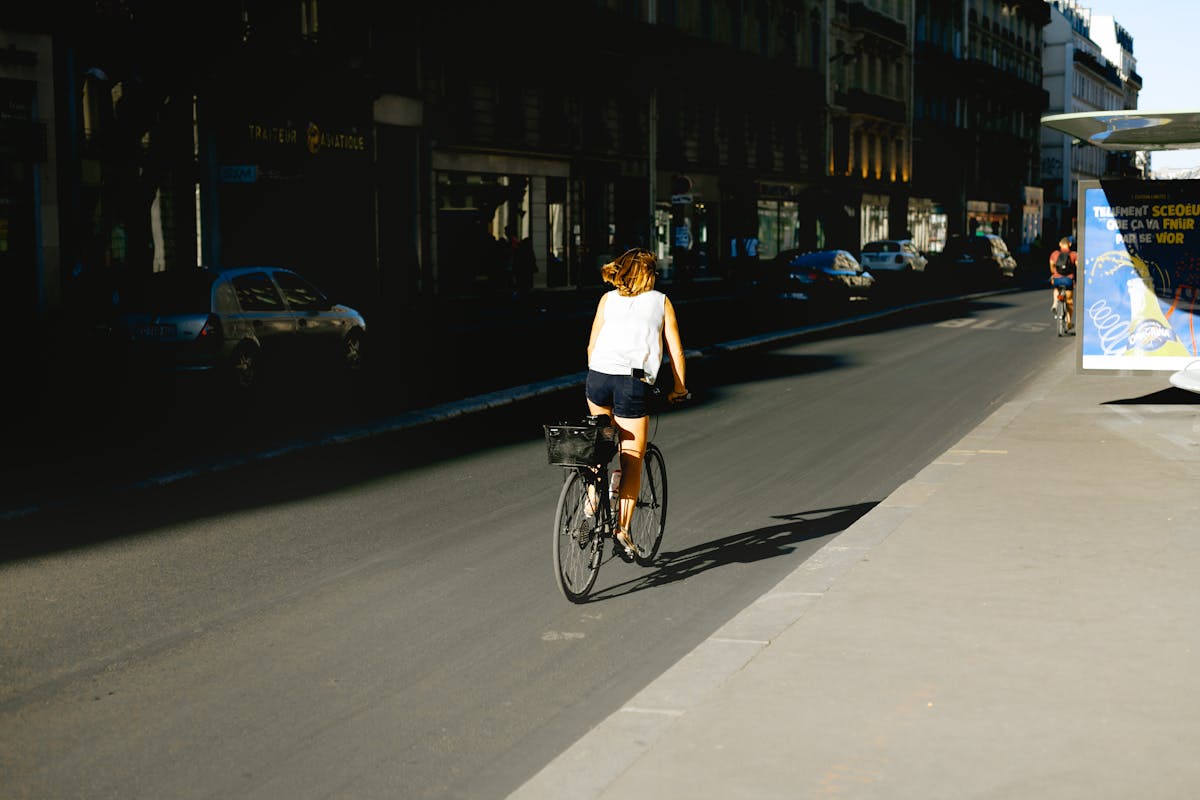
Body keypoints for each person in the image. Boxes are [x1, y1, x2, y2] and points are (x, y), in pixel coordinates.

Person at [585, 247, 689, 560]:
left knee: (600, 444)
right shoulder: (661, 301)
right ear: (648, 274)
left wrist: (601, 375)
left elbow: (591, 345)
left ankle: (591, 499)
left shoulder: (607, 299)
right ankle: (622, 530)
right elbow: (676, 352)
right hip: (631, 382)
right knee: (632, 460)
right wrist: (680, 389)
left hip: (598, 378)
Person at [1049, 236, 1077, 332]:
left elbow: (1052, 266)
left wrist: (1054, 275)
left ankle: (1055, 303)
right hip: (1068, 280)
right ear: (1069, 244)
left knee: (1056, 288)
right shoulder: (1074, 255)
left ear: (1060, 244)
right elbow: (1077, 268)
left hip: (1057, 279)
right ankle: (1069, 322)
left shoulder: (1055, 254)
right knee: (1069, 301)